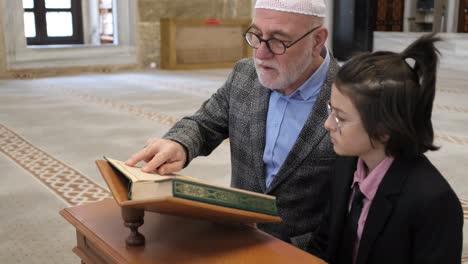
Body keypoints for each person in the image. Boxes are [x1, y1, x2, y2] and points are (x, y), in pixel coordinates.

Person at [126, 0, 338, 252]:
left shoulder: (350, 95)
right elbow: (204, 124)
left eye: (279, 40)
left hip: (307, 250)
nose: (260, 53)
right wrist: (179, 143)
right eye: (257, 36)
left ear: (317, 40)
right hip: (237, 236)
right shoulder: (245, 75)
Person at [322, 34, 463, 264]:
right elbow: (325, 243)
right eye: (331, 109)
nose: (327, 124)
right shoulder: (346, 165)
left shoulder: (433, 203)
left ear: (384, 130)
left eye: (340, 117)